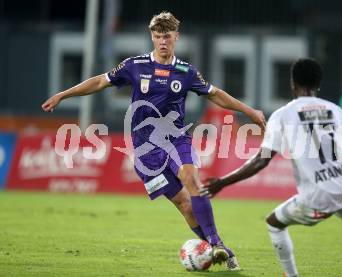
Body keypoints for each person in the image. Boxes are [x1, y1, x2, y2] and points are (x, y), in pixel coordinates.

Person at [42, 11, 266, 270]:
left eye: (167, 36)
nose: (162, 41)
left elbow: (217, 95)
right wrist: (63, 94)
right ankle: (223, 250)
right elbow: (99, 82)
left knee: (191, 178)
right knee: (185, 206)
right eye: (158, 36)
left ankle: (215, 243)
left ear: (176, 37)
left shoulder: (186, 72)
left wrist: (250, 111)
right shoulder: (134, 66)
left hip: (177, 139)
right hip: (146, 151)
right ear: (152, 36)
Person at [201, 58, 342, 276]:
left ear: (292, 83)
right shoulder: (335, 110)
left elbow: (262, 160)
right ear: (318, 85)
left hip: (320, 195)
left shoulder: (283, 115)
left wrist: (223, 182)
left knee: (274, 223)